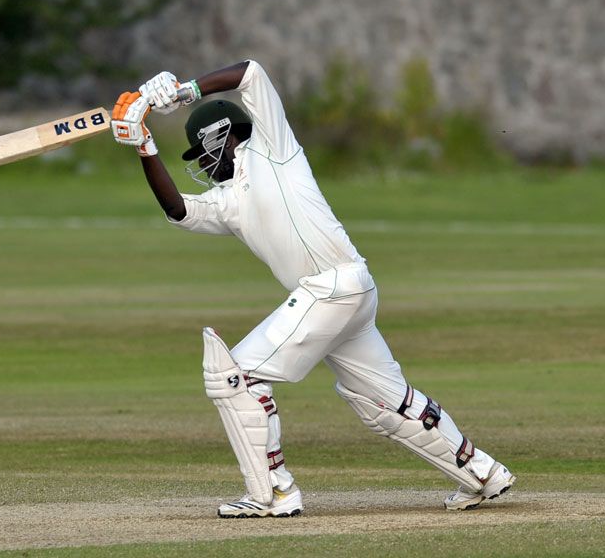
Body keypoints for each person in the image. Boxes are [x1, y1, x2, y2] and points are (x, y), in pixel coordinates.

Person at [110, 60, 515, 518]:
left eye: (200, 153)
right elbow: (179, 210)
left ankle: (274, 494)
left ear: (218, 137)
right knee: (385, 404)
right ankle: (481, 473)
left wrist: (186, 91)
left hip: (333, 288)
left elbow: (249, 73)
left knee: (235, 376)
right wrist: (144, 147)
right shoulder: (226, 202)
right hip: (348, 293)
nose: (201, 165)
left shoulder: (272, 147)